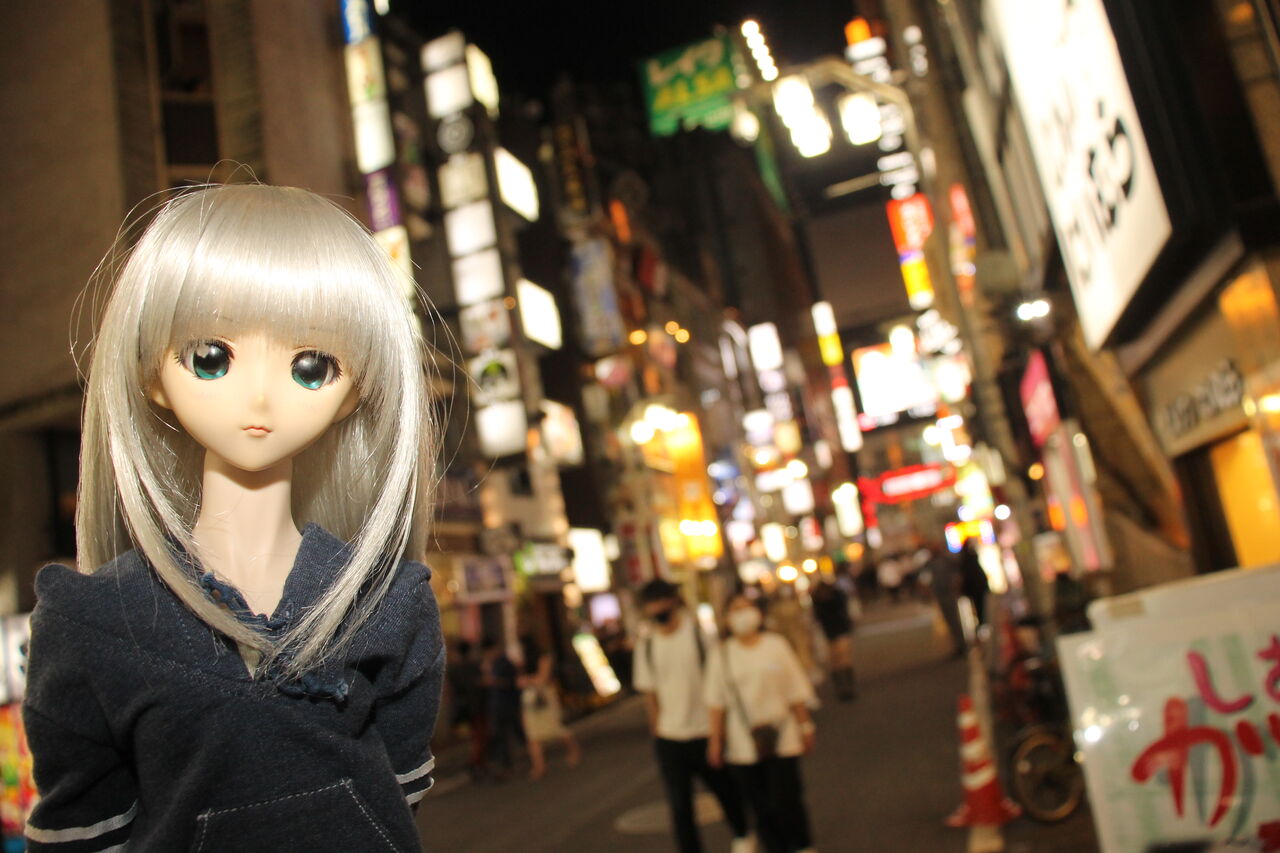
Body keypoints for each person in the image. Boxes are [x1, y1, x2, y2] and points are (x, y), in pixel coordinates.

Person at [22, 184, 443, 852]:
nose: (260, 398)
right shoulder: (95, 622)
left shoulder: (388, 603)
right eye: (210, 358)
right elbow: (84, 828)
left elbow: (400, 788)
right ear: (152, 378)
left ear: (352, 393)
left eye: (311, 366)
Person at [632, 579, 752, 853]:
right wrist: (657, 730)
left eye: (660, 601)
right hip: (670, 736)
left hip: (705, 730)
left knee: (725, 790)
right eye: (651, 603)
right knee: (679, 805)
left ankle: (743, 834)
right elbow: (650, 694)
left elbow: (718, 683)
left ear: (673, 601)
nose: (656, 608)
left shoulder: (698, 636)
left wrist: (719, 731)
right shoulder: (646, 645)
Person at [707, 593, 817, 853]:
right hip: (742, 741)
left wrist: (805, 725)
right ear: (726, 618)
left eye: (747, 607)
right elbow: (716, 702)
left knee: (788, 797)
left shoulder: (775, 645)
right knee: (759, 804)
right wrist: (715, 740)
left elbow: (794, 688)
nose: (743, 614)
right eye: (736, 609)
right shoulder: (721, 655)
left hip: (783, 733)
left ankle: (802, 845)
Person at [518, 636, 582, 780]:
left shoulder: (543, 657)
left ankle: (573, 751)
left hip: (543, 696)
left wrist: (527, 680)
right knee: (532, 734)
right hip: (531, 697)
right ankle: (539, 766)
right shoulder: (526, 660)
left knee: (555, 728)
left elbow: (543, 678)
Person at [448, 640, 490, 779]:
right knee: (479, 736)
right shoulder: (473, 666)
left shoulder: (454, 669)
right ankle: (476, 763)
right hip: (477, 706)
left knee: (473, 736)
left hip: (463, 708)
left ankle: (475, 762)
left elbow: (453, 690)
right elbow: (480, 685)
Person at [483, 638, 523, 781]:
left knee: (513, 732)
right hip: (498, 704)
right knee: (503, 735)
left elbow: (512, 683)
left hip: (507, 703)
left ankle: (513, 764)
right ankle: (507, 765)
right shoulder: (493, 664)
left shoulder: (504, 663)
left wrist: (493, 681)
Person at [810, 579, 857, 701]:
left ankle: (844, 686)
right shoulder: (828, 597)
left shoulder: (831, 597)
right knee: (839, 660)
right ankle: (844, 686)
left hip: (835, 630)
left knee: (840, 659)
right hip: (834, 631)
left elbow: (817, 617)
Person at [928, 545, 968, 657]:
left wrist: (955, 587)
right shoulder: (933, 563)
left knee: (954, 620)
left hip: (948, 594)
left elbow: (957, 574)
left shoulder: (946, 561)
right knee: (950, 620)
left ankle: (962, 644)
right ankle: (959, 644)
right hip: (941, 594)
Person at [960, 539, 991, 627]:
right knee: (980, 606)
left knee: (981, 606)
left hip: (975, 587)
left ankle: (982, 622)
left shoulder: (966, 557)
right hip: (976, 587)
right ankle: (982, 623)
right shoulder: (968, 558)